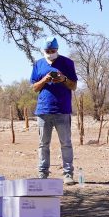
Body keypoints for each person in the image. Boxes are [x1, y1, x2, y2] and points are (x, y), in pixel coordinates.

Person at [30, 37, 78, 184]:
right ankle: (43, 173)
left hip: (62, 110)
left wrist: (63, 79)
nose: (50, 53)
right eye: (47, 51)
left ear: (57, 50)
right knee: (43, 144)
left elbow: (73, 86)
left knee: (66, 143)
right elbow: (34, 87)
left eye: (53, 51)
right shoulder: (38, 64)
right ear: (43, 51)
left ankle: (68, 174)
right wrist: (44, 80)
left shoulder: (67, 63)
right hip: (44, 110)